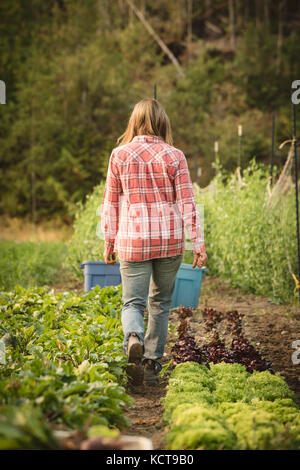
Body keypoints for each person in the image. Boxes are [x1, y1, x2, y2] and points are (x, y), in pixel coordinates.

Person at [100, 98, 208, 386]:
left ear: (133, 122)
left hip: (133, 240)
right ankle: (151, 361)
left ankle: (133, 337)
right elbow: (188, 202)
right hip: (169, 240)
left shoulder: (119, 155)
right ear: (163, 123)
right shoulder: (175, 156)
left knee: (132, 303)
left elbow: (110, 203)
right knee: (160, 302)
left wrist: (109, 241)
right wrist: (198, 243)